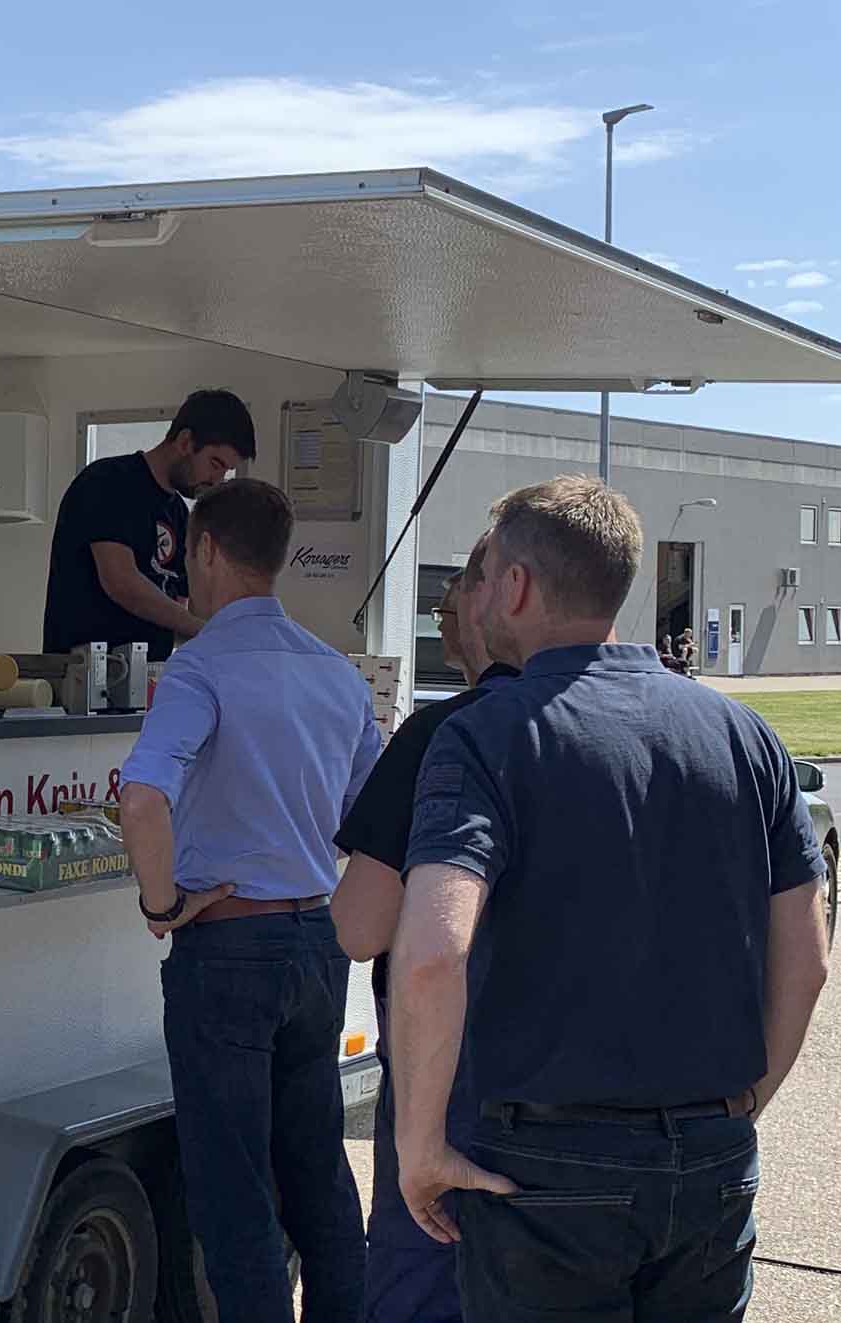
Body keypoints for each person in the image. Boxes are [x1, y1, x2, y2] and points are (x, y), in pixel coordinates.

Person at [389, 476, 833, 1322]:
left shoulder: (483, 735)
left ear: (516, 585)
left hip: (547, 1167)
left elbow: (432, 954)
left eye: (485, 576)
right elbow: (807, 960)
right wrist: (741, 1108)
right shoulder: (746, 735)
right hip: (711, 1157)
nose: (475, 598)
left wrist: (419, 1143)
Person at [116, 477, 382, 1323]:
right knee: (317, 1174)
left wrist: (163, 904)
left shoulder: (201, 666)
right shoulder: (336, 672)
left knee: (234, 1197)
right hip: (318, 942)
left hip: (227, 949)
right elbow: (372, 820)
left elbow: (142, 798)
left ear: (205, 549)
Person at [328, 542, 515, 1323]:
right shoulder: (639, 730)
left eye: (447, 603)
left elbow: (359, 925)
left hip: (448, 1079)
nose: (444, 621)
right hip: (588, 1093)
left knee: (421, 1289)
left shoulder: (442, 735)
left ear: (488, 599)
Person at [43, 389, 256, 660]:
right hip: (83, 675)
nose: (217, 479)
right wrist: (206, 631)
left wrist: (234, 637)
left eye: (226, 471)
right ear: (185, 442)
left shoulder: (179, 514)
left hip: (148, 677)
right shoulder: (107, 482)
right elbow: (122, 582)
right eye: (215, 464)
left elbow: (175, 614)